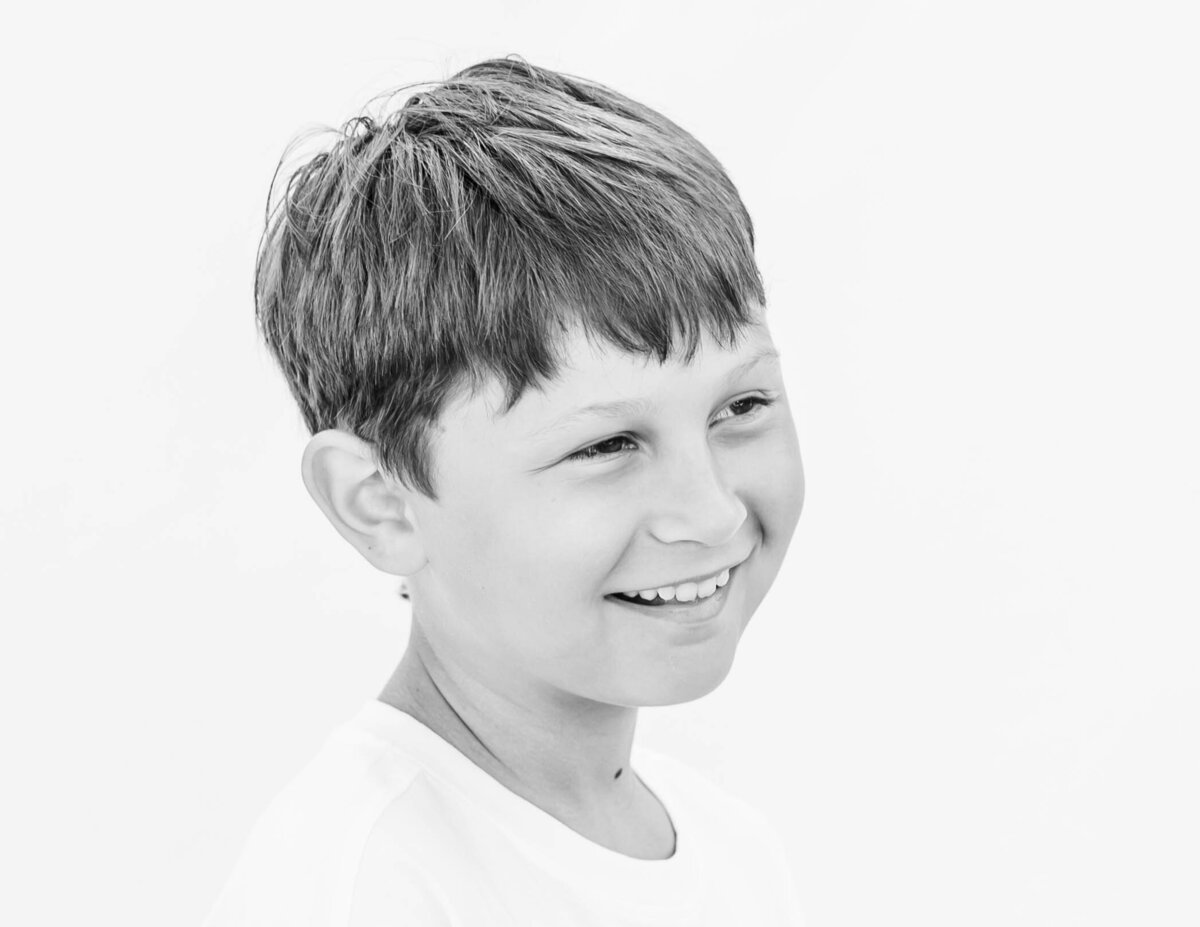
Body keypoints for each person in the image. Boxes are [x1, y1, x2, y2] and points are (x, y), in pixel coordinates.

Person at [203, 55, 806, 926]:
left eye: (741, 406)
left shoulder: (733, 850)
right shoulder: (364, 888)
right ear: (379, 500)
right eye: (605, 444)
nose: (712, 512)